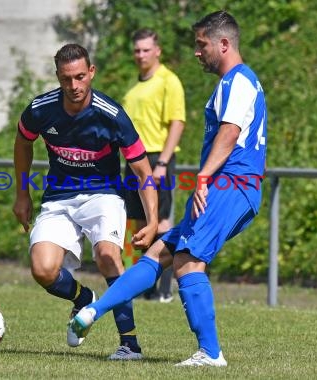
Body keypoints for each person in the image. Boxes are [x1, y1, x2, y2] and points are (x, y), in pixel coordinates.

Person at [69, 10, 267, 367]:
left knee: (188, 261)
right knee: (160, 250)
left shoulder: (239, 80)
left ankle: (210, 353)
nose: (197, 51)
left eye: (201, 44)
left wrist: (203, 176)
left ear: (224, 44)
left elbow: (230, 133)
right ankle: (92, 313)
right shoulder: (231, 83)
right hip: (225, 183)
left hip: (233, 182)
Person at [13, 43, 158, 360]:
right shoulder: (41, 109)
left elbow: (142, 169)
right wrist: (22, 193)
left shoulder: (112, 116)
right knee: (43, 269)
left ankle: (129, 344)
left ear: (91, 72)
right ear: (57, 77)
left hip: (103, 196)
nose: (74, 86)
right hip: (58, 199)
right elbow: (23, 141)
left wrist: (153, 220)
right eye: (66, 79)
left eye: (80, 77)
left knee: (107, 256)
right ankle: (83, 297)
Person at [122, 28, 186, 303]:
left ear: (157, 50)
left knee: (160, 220)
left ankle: (163, 289)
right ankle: (142, 284)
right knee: (136, 222)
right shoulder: (134, 88)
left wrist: (162, 162)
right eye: (137, 50)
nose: (141, 55)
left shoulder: (168, 81)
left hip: (157, 157)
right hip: (133, 160)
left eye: (146, 49)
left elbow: (177, 122)